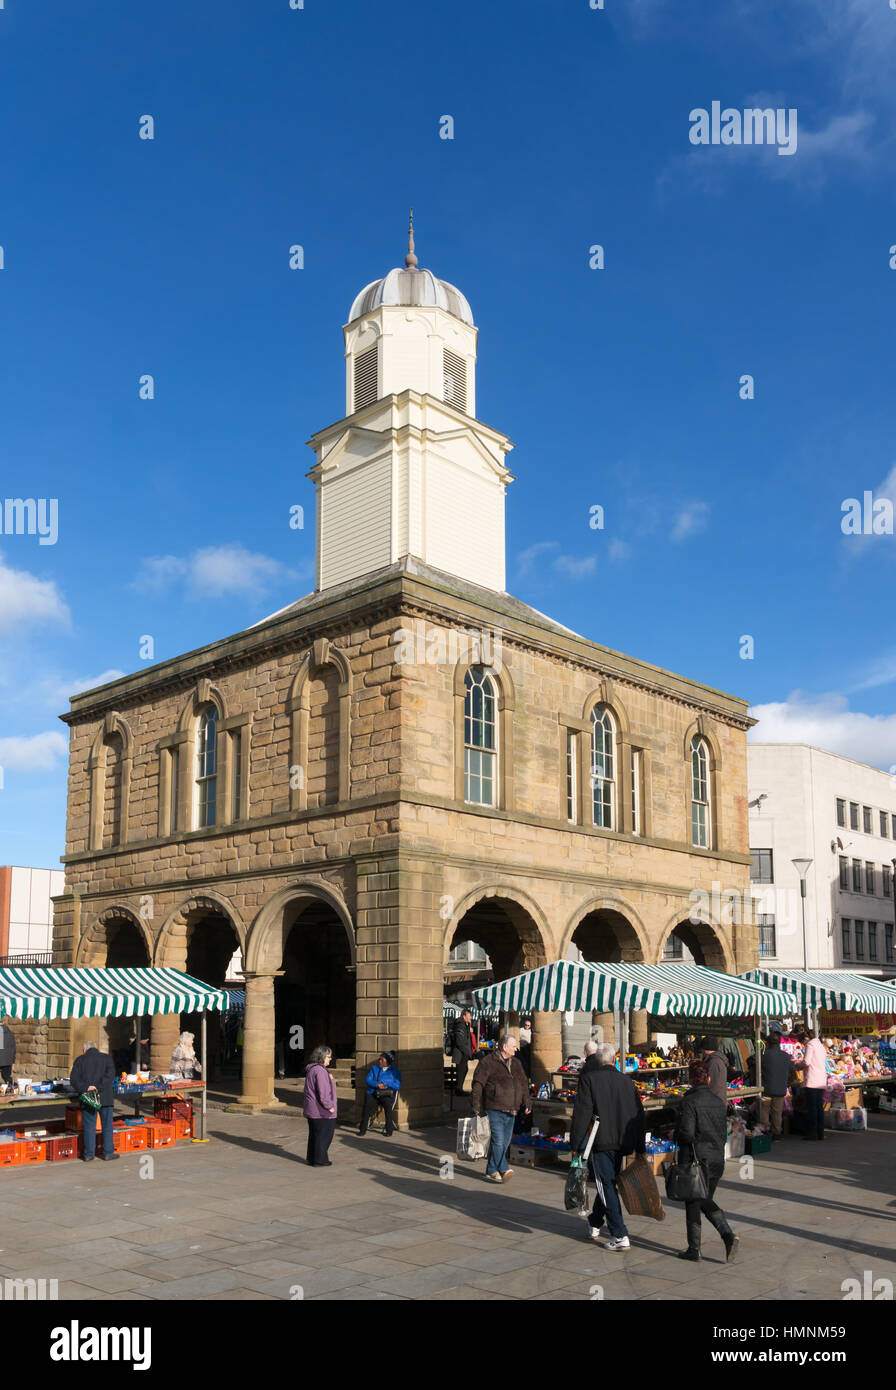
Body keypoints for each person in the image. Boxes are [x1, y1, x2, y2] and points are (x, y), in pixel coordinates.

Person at [570, 1040, 646, 1251]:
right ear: (613, 1059)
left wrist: (575, 1143)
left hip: (602, 1140)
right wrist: (640, 1147)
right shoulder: (626, 1082)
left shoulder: (590, 1080)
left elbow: (582, 1112)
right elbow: (639, 1115)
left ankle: (619, 1233)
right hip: (623, 1140)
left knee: (606, 1185)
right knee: (607, 1183)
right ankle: (595, 1222)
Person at [674, 1059, 738, 1262]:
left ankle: (700, 1247)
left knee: (694, 1202)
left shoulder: (689, 1101)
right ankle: (722, 1238)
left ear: (691, 1080)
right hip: (716, 1159)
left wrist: (674, 1133)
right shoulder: (719, 1102)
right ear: (708, 1079)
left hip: (696, 1159)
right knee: (704, 1199)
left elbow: (687, 1133)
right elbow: (722, 1132)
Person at [470, 1033, 530, 1183]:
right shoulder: (488, 1062)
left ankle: (491, 1170)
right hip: (494, 1107)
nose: (516, 1049)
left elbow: (523, 1083)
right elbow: (478, 1083)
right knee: (498, 1141)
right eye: (513, 1046)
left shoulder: (516, 1063)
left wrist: (527, 1102)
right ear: (504, 1047)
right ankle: (504, 1168)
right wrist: (475, 1103)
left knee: (504, 1143)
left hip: (512, 1108)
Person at [70, 1041, 118, 1162]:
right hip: (105, 1096)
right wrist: (99, 1087)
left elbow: (74, 1080)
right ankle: (108, 1153)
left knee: (89, 1126)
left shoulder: (80, 1060)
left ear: (84, 1050)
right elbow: (110, 1076)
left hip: (88, 1095)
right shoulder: (107, 1059)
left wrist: (87, 1087)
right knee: (107, 1125)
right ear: (96, 1048)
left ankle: (88, 1154)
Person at [303, 1044, 337, 1166]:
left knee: (315, 1135)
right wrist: (330, 1107)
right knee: (324, 1136)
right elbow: (323, 1093)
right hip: (321, 1111)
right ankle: (320, 1160)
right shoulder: (320, 1071)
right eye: (328, 1056)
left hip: (312, 1110)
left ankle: (312, 1158)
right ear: (322, 1057)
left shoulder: (312, 1069)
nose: (330, 1059)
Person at [794, 1029, 828, 1141]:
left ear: (806, 1038)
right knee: (819, 1107)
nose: (803, 1044)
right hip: (821, 1080)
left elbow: (807, 1062)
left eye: (803, 1041)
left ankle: (812, 1133)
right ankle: (820, 1132)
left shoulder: (810, 1045)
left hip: (812, 1080)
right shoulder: (820, 1045)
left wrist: (797, 1065)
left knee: (812, 1108)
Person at [358, 1051, 402, 1136]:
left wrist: (386, 1084)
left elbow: (397, 1085)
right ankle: (362, 1129)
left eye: (382, 1060)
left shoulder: (395, 1072)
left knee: (388, 1107)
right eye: (379, 1059)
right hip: (373, 1092)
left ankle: (389, 1130)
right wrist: (377, 1084)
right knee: (366, 1107)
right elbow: (368, 1080)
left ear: (388, 1061)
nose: (380, 1061)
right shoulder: (374, 1069)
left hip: (385, 1094)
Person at [762, 1030, 795, 1140]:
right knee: (777, 1112)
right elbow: (792, 1068)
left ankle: (765, 1130)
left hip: (766, 1088)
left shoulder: (764, 1055)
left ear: (768, 1043)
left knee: (764, 1111)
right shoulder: (786, 1056)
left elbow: (750, 1061)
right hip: (780, 1088)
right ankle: (777, 1133)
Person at [451, 1009, 476, 1096]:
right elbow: (460, 1041)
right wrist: (466, 1052)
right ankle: (458, 1090)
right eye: (469, 1016)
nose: (471, 1017)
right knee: (462, 1070)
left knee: (464, 1070)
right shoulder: (460, 1025)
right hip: (461, 1053)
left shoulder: (465, 1025)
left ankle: (459, 1089)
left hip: (463, 1053)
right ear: (464, 1016)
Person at [700, 1036, 729, 1102]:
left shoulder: (713, 1062)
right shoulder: (717, 1060)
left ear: (704, 1048)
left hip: (713, 1102)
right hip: (717, 1101)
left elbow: (710, 1084)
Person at [0, 1020, 16, 1087]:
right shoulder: (10, 1033)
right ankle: (13, 1088)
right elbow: (13, 1048)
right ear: (3, 1022)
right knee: (7, 1077)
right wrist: (13, 1061)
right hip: (8, 1060)